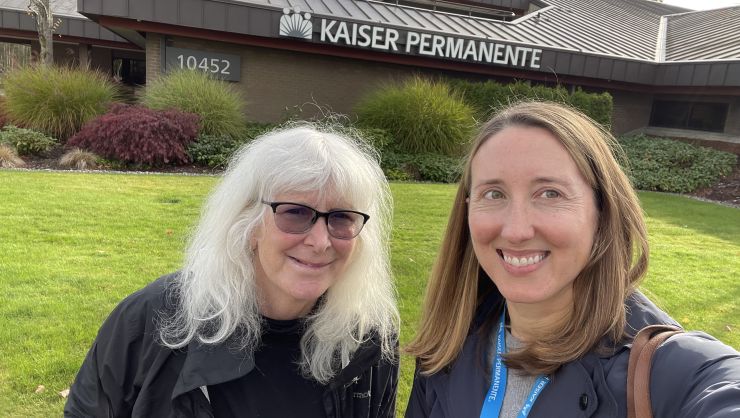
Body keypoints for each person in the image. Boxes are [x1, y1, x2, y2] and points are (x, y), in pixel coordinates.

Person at [405, 101, 740, 417]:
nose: (517, 230)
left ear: (603, 212)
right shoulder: (448, 344)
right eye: (494, 194)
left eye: (550, 193)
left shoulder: (667, 371)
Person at [65, 125, 400, 417]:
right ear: (248, 223)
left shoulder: (368, 340)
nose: (321, 241)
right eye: (296, 212)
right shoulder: (149, 322)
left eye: (342, 217)